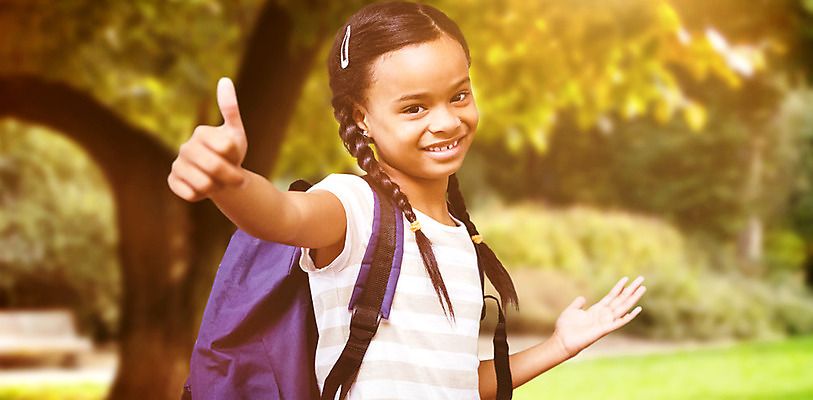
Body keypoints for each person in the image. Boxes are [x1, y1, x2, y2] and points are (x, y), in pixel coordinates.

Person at [167, 2, 646, 399]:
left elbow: (456, 382)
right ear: (363, 119)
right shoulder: (355, 207)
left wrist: (559, 345)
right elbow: (283, 217)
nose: (446, 122)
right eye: (414, 108)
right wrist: (228, 183)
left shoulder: (460, 237)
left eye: (459, 96)